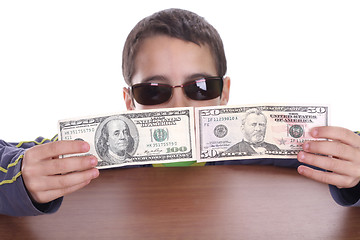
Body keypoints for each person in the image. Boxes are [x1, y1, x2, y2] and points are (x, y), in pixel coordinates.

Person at [1, 9, 359, 217]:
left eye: (199, 88)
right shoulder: (95, 151)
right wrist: (21, 179)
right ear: (130, 101)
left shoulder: (262, 142)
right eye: (154, 91)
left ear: (224, 93)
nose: (179, 107)